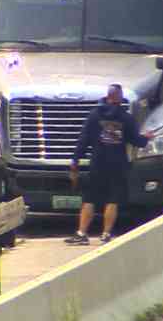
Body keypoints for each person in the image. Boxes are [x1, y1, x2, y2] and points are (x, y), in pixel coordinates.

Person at [66, 84, 155, 245]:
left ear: (107, 96)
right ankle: (106, 234)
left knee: (89, 199)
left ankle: (82, 233)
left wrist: (75, 161)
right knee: (112, 199)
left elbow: (83, 140)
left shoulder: (94, 116)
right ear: (120, 98)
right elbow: (137, 141)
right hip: (118, 164)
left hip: (97, 162)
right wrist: (147, 137)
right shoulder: (126, 118)